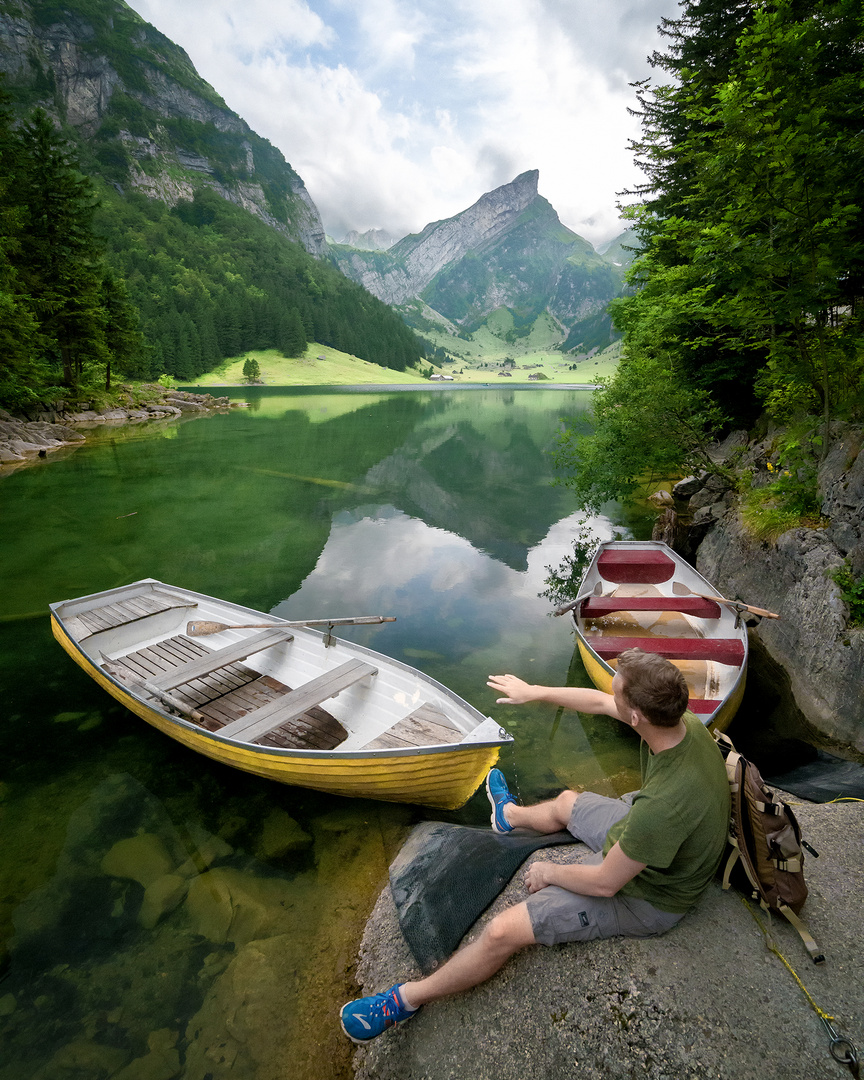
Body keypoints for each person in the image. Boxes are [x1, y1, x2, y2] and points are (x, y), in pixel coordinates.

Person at [339, 648, 731, 1044]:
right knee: (564, 803)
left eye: (618, 696)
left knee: (500, 931)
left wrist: (549, 871)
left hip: (652, 897)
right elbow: (597, 701)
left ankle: (403, 1000)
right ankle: (508, 817)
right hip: (657, 838)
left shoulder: (660, 809)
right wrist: (533, 691)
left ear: (636, 717)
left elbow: (604, 884)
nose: (609, 698)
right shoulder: (682, 724)